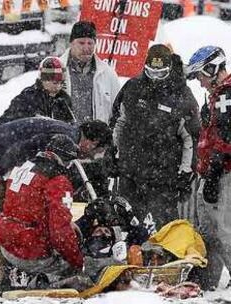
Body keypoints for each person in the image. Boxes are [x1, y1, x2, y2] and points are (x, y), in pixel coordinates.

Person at [0, 117, 113, 289]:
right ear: (92, 142)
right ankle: (1, 281)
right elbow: (26, 145)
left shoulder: (61, 141)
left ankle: (7, 274)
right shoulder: (65, 138)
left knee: (12, 218)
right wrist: (0, 170)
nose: (92, 157)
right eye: (98, 151)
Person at [114, 44, 194, 230]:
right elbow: (118, 122)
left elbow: (190, 137)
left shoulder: (181, 94)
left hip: (164, 178)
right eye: (151, 72)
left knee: (163, 229)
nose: (156, 78)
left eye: (161, 73)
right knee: (128, 226)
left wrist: (185, 171)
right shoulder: (132, 88)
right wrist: (113, 152)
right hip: (131, 173)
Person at [0, 135, 84, 288]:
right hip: (30, 251)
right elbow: (60, 233)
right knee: (76, 274)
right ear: (66, 160)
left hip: (6, 243)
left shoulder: (22, 167)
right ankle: (43, 282)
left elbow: (25, 207)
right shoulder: (58, 181)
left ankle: (11, 276)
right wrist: (78, 262)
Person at [185, 45, 231, 290]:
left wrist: (215, 167)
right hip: (211, 170)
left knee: (226, 229)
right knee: (208, 229)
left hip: (224, 171)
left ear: (212, 69)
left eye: (201, 76)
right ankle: (209, 280)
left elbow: (227, 138)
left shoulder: (227, 94)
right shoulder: (216, 96)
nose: (200, 83)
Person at [60, 21, 120, 124]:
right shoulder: (56, 70)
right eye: (81, 43)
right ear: (71, 43)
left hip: (97, 138)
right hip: (65, 137)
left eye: (90, 43)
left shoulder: (108, 74)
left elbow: (118, 112)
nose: (86, 48)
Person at [0, 57, 76, 127]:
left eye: (61, 83)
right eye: (54, 83)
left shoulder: (63, 100)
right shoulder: (27, 99)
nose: (58, 87)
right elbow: (2, 126)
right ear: (43, 79)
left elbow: (71, 127)